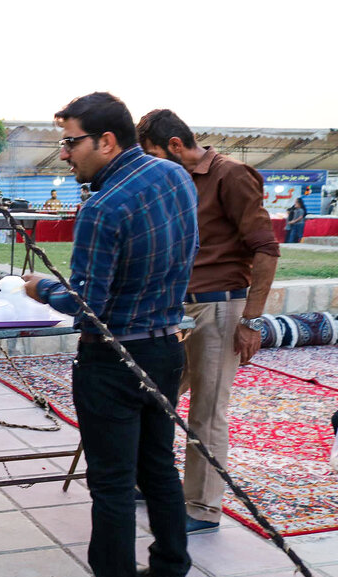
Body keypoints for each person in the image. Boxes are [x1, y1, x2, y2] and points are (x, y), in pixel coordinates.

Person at [22, 92, 198, 577]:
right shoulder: (175, 177)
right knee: (158, 469)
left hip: (114, 359)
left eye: (72, 142)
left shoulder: (104, 207)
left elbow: (88, 310)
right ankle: (171, 573)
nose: (65, 154)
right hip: (167, 347)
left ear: (106, 140)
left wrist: (40, 288)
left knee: (115, 482)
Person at [137, 109, 280, 535]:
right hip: (177, 308)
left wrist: (251, 320)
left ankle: (201, 507)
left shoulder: (232, 176)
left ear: (176, 146)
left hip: (220, 307)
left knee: (207, 410)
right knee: (153, 394)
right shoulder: (175, 179)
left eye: (154, 155)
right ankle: (154, 482)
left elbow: (266, 250)